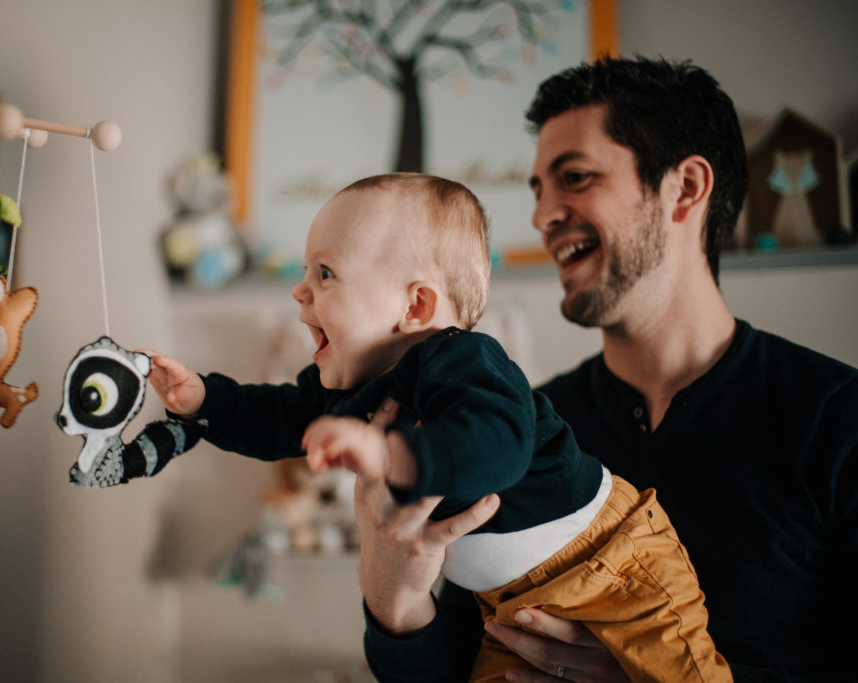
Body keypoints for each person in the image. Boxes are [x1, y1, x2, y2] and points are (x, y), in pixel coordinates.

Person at [360, 57, 858, 682]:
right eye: (539, 190)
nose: (542, 217)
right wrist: (392, 601)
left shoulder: (838, 418)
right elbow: (460, 662)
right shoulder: (519, 428)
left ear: (685, 188)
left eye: (574, 178)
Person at [147, 172, 729, 681]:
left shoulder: (466, 360)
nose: (300, 291)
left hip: (614, 565)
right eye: (305, 271)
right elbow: (276, 418)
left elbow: (496, 448)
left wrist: (390, 455)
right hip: (510, 608)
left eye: (325, 273)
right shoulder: (351, 388)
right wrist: (204, 400)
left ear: (417, 307)